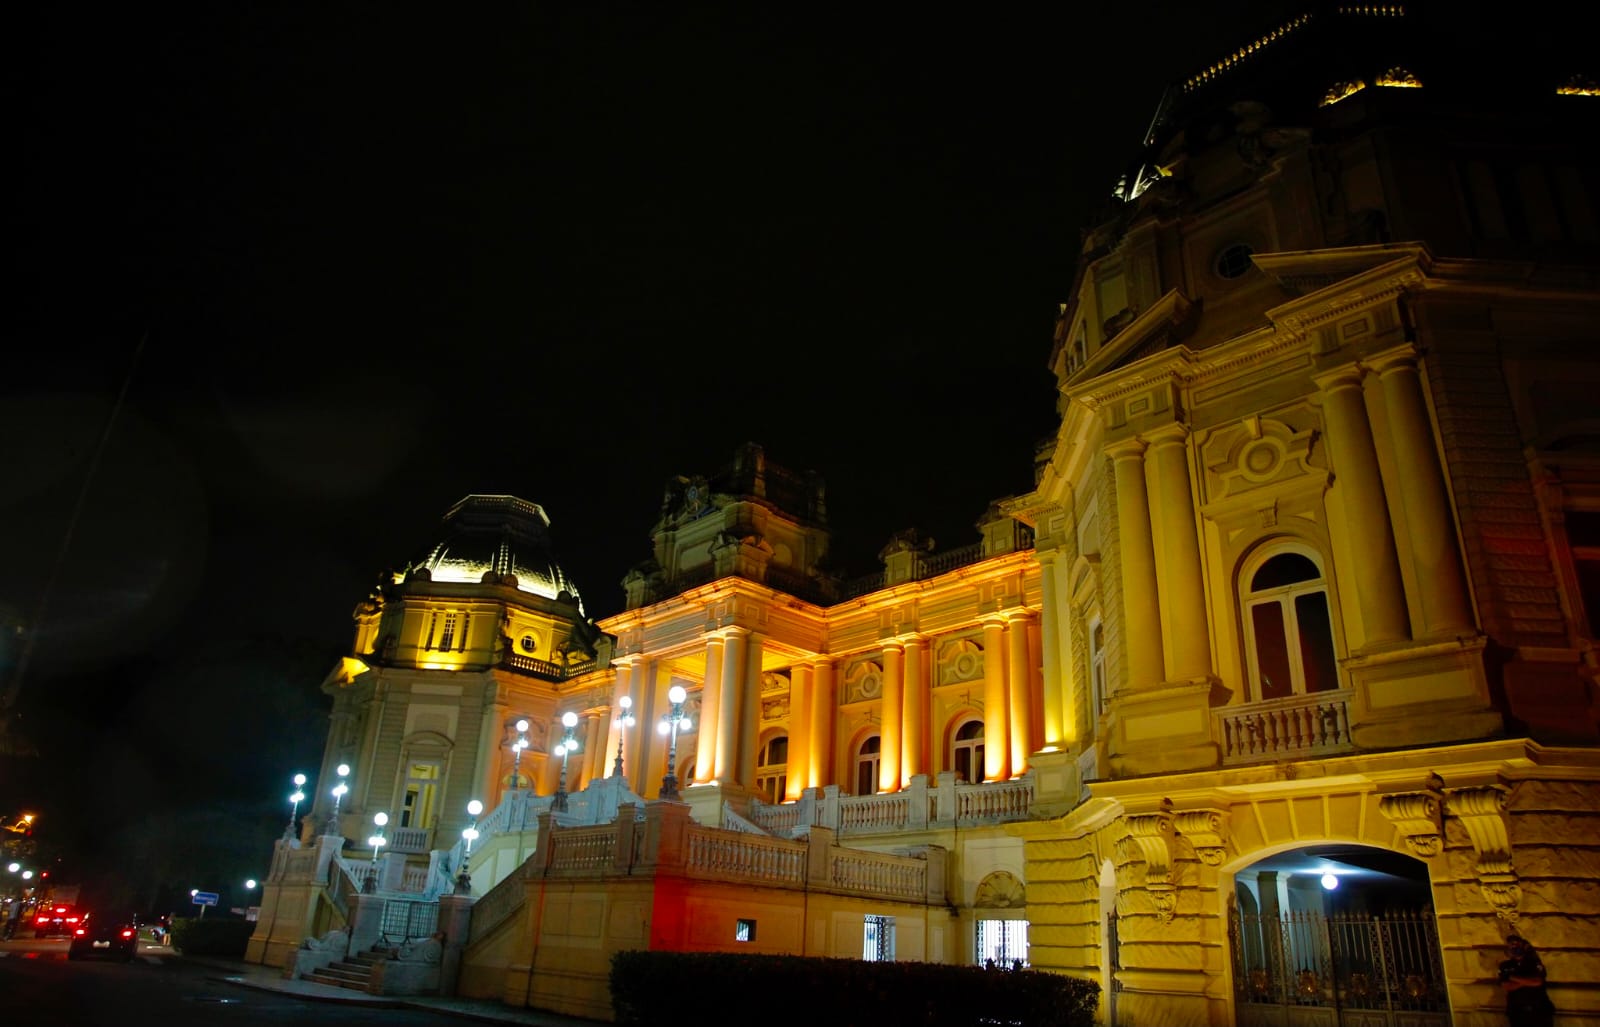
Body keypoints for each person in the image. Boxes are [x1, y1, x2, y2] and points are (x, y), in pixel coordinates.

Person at [1499, 933, 1554, 1027]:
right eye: (1511, 944)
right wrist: (1528, 981)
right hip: (1517, 1012)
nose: (1514, 946)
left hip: (1539, 1011)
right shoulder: (1505, 966)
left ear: (1523, 945)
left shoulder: (1534, 963)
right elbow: (1507, 986)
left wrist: (1512, 978)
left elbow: (1538, 981)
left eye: (1516, 944)